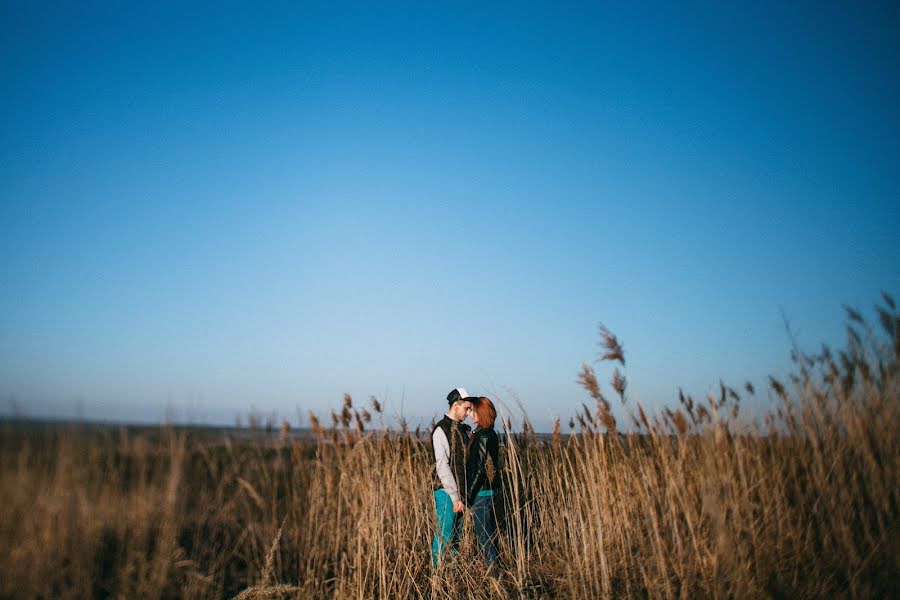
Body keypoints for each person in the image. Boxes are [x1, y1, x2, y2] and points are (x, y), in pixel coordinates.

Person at [430, 387, 473, 565]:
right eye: (466, 409)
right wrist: (454, 496)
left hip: (460, 493)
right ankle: (437, 575)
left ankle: (452, 574)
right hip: (446, 492)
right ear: (456, 405)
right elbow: (442, 466)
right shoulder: (441, 430)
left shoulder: (462, 430)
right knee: (444, 534)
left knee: (456, 536)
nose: (469, 413)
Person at [464, 396, 501, 566]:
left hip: (481, 491)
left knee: (484, 534)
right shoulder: (484, 432)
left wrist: (468, 496)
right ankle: (491, 567)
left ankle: (493, 572)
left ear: (482, 412)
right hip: (486, 490)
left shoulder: (485, 435)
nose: (471, 414)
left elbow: (480, 468)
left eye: (473, 411)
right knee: (486, 531)